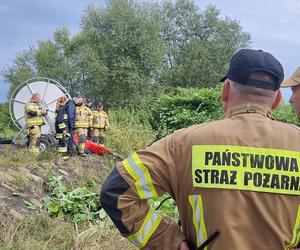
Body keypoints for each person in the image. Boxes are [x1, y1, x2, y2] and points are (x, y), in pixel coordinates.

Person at [100, 49, 300, 249]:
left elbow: (116, 190)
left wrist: (169, 241)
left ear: (226, 90)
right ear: (275, 100)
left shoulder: (182, 143)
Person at [55, 96, 69, 161]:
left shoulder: (60, 109)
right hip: (61, 131)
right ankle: (60, 158)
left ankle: (60, 157)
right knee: (62, 143)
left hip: (60, 130)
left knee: (62, 143)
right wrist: (64, 129)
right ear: (64, 102)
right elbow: (60, 120)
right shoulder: (61, 109)